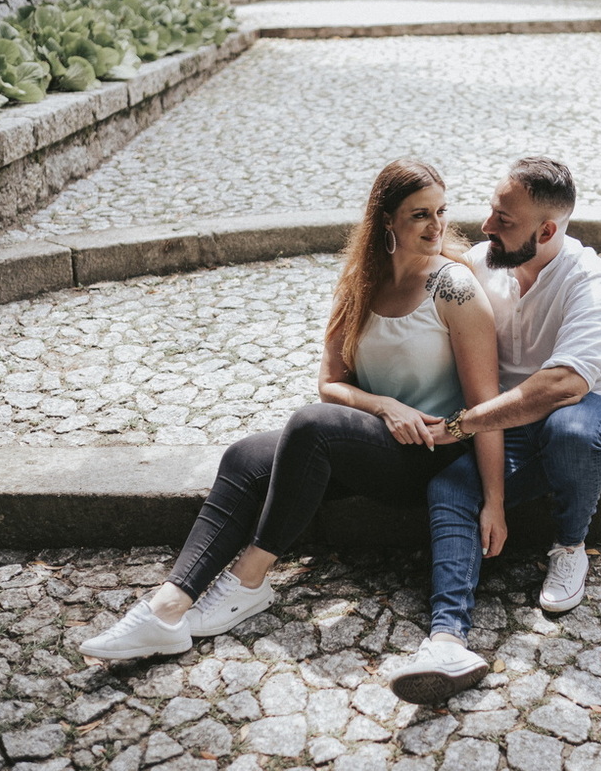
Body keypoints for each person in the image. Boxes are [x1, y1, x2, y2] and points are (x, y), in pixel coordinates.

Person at [79, 160, 503, 661]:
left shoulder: (454, 287)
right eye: (419, 215)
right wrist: (385, 405)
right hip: (372, 439)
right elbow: (330, 383)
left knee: (310, 425)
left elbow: (487, 405)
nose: (436, 226)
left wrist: (494, 499)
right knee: (244, 456)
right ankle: (166, 608)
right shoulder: (361, 282)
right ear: (387, 220)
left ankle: (250, 579)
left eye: (441, 211)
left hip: (429, 454)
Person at [386, 157, 601, 704]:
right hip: (512, 425)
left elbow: (563, 385)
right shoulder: (483, 264)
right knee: (449, 488)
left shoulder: (589, 278)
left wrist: (462, 424)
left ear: (545, 232)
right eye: (491, 211)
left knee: (570, 432)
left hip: (596, 412)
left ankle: (570, 544)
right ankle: (447, 639)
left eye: (503, 220)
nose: (486, 227)